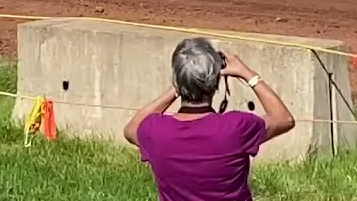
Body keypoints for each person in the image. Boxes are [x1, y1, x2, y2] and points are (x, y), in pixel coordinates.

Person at [124, 37, 296, 201]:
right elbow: (284, 119)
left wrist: (180, 85)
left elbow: (131, 130)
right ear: (215, 83)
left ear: (176, 79)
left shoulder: (155, 131)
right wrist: (248, 74)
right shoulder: (236, 127)